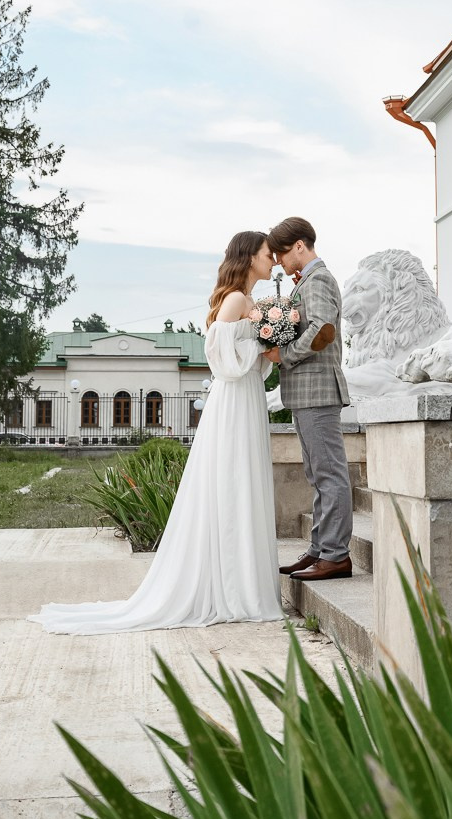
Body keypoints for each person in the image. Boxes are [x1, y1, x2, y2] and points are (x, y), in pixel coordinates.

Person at [28, 232, 284, 634]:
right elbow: (220, 359)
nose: (275, 261)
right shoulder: (236, 300)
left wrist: (269, 346)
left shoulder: (251, 304)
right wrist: (262, 344)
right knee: (233, 482)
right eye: (269, 254)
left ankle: (247, 587)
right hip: (233, 400)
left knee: (243, 482)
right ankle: (237, 591)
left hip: (247, 396)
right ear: (250, 256)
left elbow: (251, 361)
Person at [265, 217, 353, 581]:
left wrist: (283, 355)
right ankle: (320, 549)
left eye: (282, 254)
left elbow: (323, 331)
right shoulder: (308, 282)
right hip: (306, 392)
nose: (280, 263)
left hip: (317, 390)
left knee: (329, 474)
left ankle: (335, 555)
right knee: (318, 474)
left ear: (300, 246)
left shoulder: (318, 281)